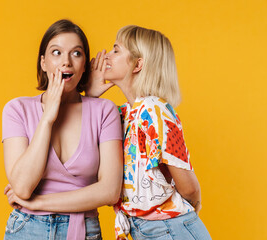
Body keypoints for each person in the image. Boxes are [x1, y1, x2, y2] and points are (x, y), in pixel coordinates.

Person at [2, 19, 123, 240]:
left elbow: (110, 191)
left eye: (76, 54)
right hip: (27, 229)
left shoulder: (105, 111)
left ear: (84, 64)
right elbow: (22, 187)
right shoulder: (17, 109)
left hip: (84, 230)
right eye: (56, 52)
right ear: (43, 63)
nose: (66, 62)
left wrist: (39, 203)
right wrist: (47, 118)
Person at [87, 25, 211, 239]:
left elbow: (189, 189)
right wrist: (90, 96)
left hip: (170, 229)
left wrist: (182, 218)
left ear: (138, 64)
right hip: (144, 229)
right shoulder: (124, 113)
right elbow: (85, 135)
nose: (106, 55)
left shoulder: (154, 110)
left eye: (116, 50)